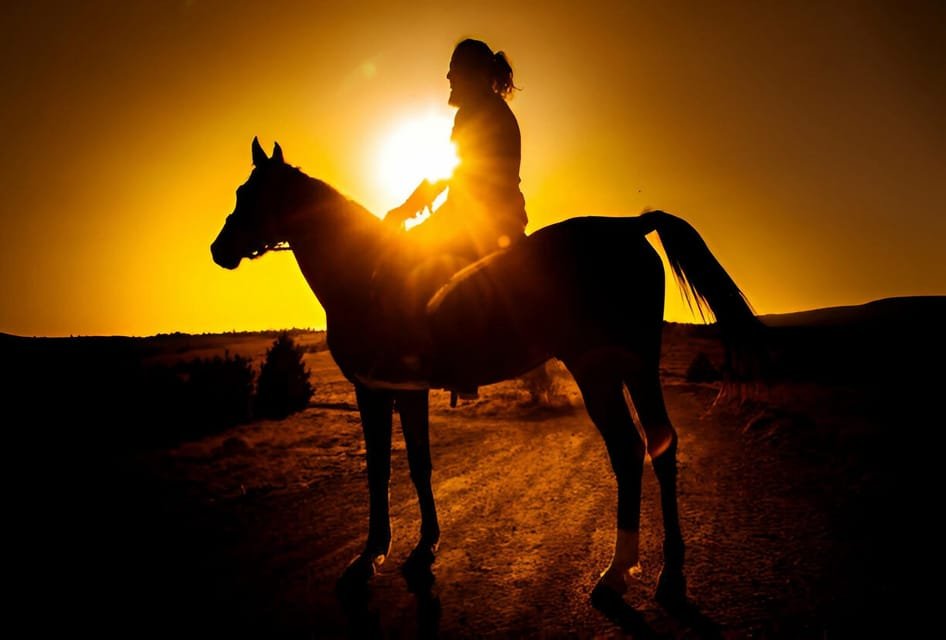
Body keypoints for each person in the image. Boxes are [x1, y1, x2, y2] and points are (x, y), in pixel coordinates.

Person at [386, 38, 528, 263]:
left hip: (473, 226)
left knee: (398, 260)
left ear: (473, 73)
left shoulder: (474, 111)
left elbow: (457, 175)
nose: (448, 76)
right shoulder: (496, 110)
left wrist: (405, 209)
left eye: (454, 68)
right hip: (504, 222)